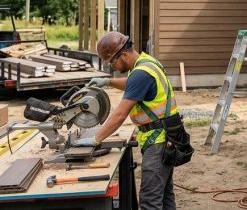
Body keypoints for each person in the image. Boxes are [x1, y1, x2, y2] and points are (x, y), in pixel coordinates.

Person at [73, 31, 180, 210]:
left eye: (112, 62)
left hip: (158, 142)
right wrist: (108, 82)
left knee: (150, 200)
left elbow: (120, 114)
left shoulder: (140, 74)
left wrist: (96, 139)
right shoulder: (147, 62)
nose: (113, 66)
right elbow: (132, 84)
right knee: (165, 195)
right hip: (168, 136)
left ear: (123, 54)